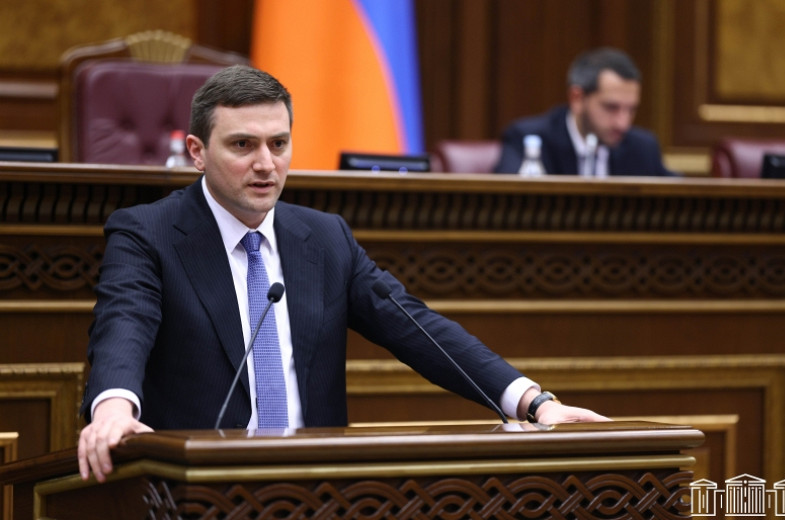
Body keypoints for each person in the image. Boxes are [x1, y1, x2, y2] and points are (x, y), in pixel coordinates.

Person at [77, 65, 609, 483]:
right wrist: (114, 411)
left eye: (278, 144)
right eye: (243, 145)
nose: (265, 164)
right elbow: (125, 325)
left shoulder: (325, 238)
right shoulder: (147, 233)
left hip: (317, 487)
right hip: (194, 485)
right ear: (197, 152)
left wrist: (534, 403)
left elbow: (417, 329)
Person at [494, 47, 675, 176]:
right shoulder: (529, 139)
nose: (623, 123)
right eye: (611, 107)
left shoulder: (643, 148)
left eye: (631, 109)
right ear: (577, 98)